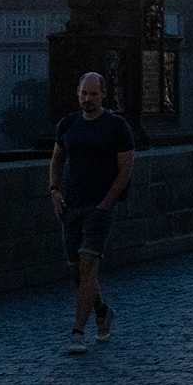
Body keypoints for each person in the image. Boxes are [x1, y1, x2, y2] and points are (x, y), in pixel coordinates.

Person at [48, 72, 134, 355]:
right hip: (71, 206)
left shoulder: (117, 127)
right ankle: (103, 311)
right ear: (78, 93)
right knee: (77, 273)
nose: (88, 98)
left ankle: (77, 333)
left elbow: (125, 169)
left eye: (94, 94)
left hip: (100, 208)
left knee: (88, 266)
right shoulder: (68, 124)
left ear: (103, 94)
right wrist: (55, 191)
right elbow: (57, 160)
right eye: (84, 93)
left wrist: (108, 202)